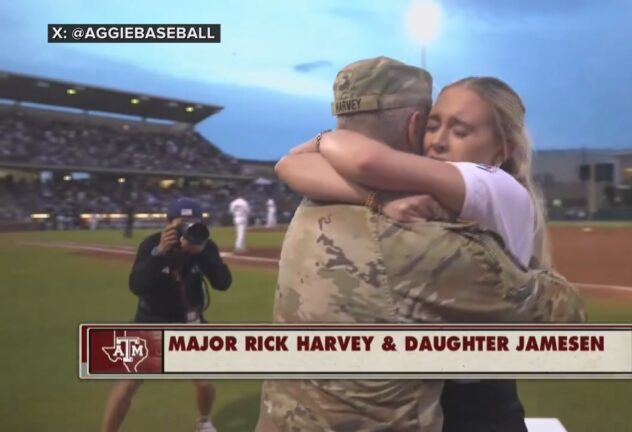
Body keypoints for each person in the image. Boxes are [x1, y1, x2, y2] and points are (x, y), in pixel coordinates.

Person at [256, 57, 585, 432]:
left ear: (501, 150)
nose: (439, 141)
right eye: (433, 125)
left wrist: (326, 140)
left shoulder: (487, 183)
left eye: (460, 130)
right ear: (416, 125)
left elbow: (344, 161)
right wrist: (377, 198)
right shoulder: (413, 209)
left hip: (478, 395)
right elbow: (290, 166)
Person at [99, 198, 232, 432]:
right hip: (151, 318)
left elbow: (223, 283)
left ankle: (204, 421)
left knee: (204, 381)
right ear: (168, 224)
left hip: (189, 320)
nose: (189, 229)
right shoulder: (151, 244)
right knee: (128, 382)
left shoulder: (206, 246)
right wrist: (159, 253)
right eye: (183, 224)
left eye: (195, 224)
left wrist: (201, 255)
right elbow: (137, 285)